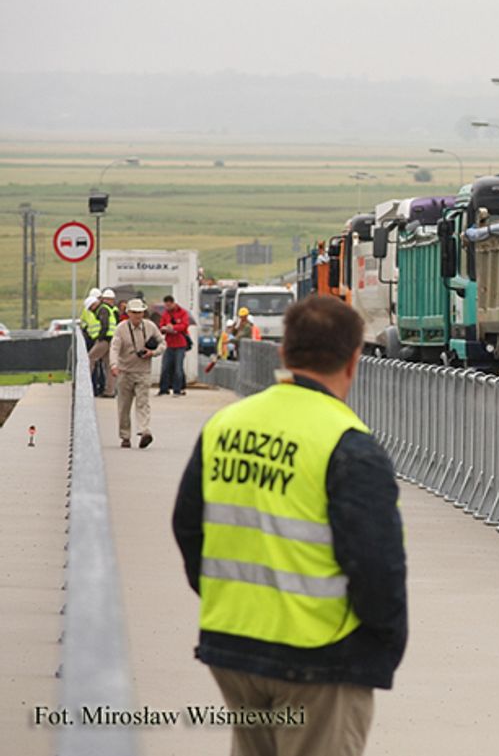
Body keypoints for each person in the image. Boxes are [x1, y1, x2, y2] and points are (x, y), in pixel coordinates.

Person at [172, 295, 406, 756]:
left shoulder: (226, 425)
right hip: (319, 658)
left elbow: (187, 526)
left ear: (283, 353)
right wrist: (381, 644)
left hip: (233, 647)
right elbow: (376, 565)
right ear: (354, 358)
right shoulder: (348, 444)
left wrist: (227, 599)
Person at [110, 298, 165, 449]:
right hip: (125, 372)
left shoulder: (150, 327)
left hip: (143, 372)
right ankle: (125, 436)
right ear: (128, 313)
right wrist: (114, 365)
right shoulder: (121, 328)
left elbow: (162, 342)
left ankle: (144, 431)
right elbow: (114, 348)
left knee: (143, 403)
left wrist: (153, 352)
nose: (137, 316)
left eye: (140, 313)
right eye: (134, 313)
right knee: (124, 406)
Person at [89, 289, 120, 398]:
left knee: (90, 359)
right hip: (113, 339)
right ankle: (110, 391)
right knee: (109, 365)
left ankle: (86, 384)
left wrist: (100, 338)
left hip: (105, 339)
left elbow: (105, 324)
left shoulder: (103, 309)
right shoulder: (114, 309)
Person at [158, 294, 191, 397]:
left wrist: (174, 327)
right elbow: (161, 326)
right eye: (166, 305)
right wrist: (165, 328)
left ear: (173, 303)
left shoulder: (183, 313)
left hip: (180, 344)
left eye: (169, 305)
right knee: (165, 367)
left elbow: (184, 326)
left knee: (178, 368)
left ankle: (177, 389)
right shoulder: (165, 314)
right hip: (169, 344)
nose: (167, 307)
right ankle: (164, 389)